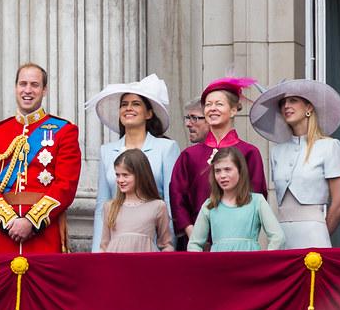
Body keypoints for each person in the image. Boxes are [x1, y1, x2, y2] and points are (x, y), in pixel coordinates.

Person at [0, 63, 81, 254]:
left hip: (44, 234)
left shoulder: (64, 131)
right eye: (23, 84)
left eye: (34, 84)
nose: (28, 90)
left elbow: (66, 185)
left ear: (44, 90)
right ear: (15, 87)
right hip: (4, 234)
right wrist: (9, 221)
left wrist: (31, 221)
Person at [169, 77, 267, 249]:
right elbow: (177, 197)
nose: (212, 109)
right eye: (208, 104)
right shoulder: (189, 155)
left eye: (219, 104)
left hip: (237, 243)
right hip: (195, 245)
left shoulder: (249, 152)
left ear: (234, 110)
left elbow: (257, 197)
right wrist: (194, 235)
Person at [86, 74, 180, 252]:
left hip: (150, 245)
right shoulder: (107, 151)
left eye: (135, 103)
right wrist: (98, 251)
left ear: (149, 113)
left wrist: (168, 248)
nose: (128, 108)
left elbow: (170, 201)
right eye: (124, 104)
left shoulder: (166, 148)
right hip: (116, 245)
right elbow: (102, 204)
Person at [250, 79, 340, 248]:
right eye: (282, 103)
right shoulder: (277, 151)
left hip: (314, 235)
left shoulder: (329, 146)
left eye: (293, 100)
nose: (286, 106)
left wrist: (322, 232)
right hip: (281, 236)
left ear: (309, 107)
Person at [188, 147, 284, 252]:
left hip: (250, 266)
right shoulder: (209, 205)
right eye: (217, 171)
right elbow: (194, 244)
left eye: (227, 169)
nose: (222, 175)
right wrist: (205, 267)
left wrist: (265, 263)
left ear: (240, 171)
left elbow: (278, 238)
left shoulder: (257, 201)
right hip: (219, 267)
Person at [99, 149, 173, 253]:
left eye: (125, 175)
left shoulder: (158, 206)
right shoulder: (110, 207)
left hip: (146, 266)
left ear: (140, 175)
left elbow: (166, 245)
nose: (120, 180)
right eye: (117, 175)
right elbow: (104, 246)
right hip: (115, 266)